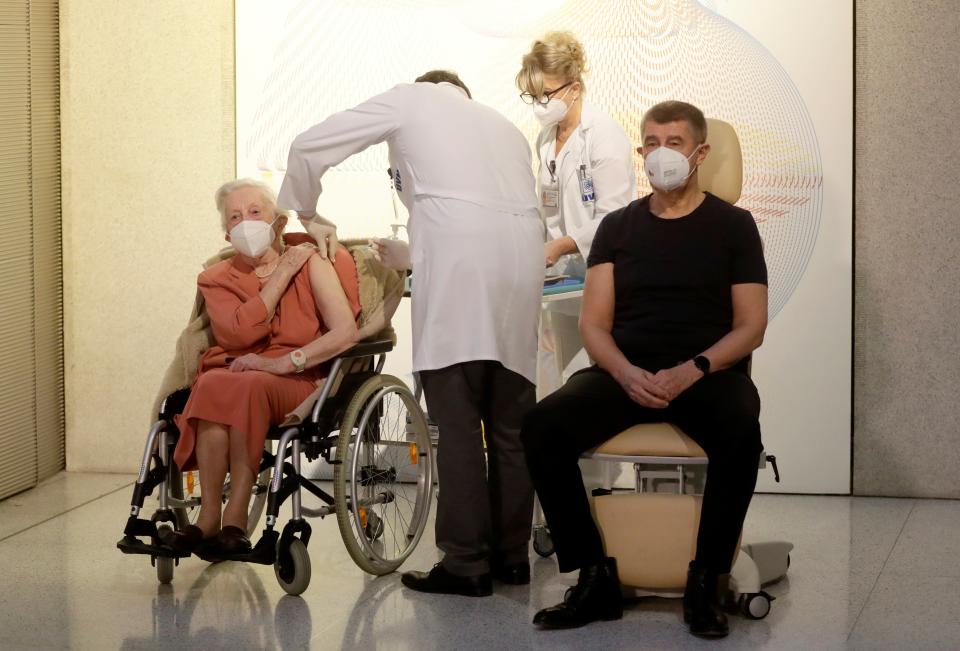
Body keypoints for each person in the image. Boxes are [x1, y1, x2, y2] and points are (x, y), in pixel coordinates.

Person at [277, 71, 544, 597]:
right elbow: (475, 207)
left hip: (460, 260)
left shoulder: (410, 99)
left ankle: (466, 562)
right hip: (522, 258)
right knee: (511, 423)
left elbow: (309, 146)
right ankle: (512, 556)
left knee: (459, 419)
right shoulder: (503, 128)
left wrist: (306, 210)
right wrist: (417, 255)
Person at [521, 101, 768, 638]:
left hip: (707, 375)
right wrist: (625, 373)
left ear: (700, 153)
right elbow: (594, 325)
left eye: (674, 143)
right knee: (541, 427)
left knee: (740, 429)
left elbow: (750, 326)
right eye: (651, 143)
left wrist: (694, 368)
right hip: (625, 371)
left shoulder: (734, 227)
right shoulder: (617, 228)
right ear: (640, 153)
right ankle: (592, 576)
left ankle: (707, 578)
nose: (661, 155)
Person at [162, 179, 361, 555]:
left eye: (255, 212)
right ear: (226, 232)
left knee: (246, 385)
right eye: (235, 217)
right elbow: (237, 338)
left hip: (299, 376)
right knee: (212, 383)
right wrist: (279, 276)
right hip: (238, 369)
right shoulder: (216, 277)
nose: (246, 222)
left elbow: (345, 332)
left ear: (279, 223)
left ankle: (234, 517)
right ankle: (206, 519)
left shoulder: (311, 262)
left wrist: (286, 362)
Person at [516, 31, 636, 391]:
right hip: (562, 282)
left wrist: (562, 245)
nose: (540, 104)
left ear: (574, 88)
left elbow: (616, 217)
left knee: (596, 379)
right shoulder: (546, 138)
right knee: (565, 380)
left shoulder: (604, 135)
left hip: (602, 276)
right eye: (532, 96)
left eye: (546, 94)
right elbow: (546, 206)